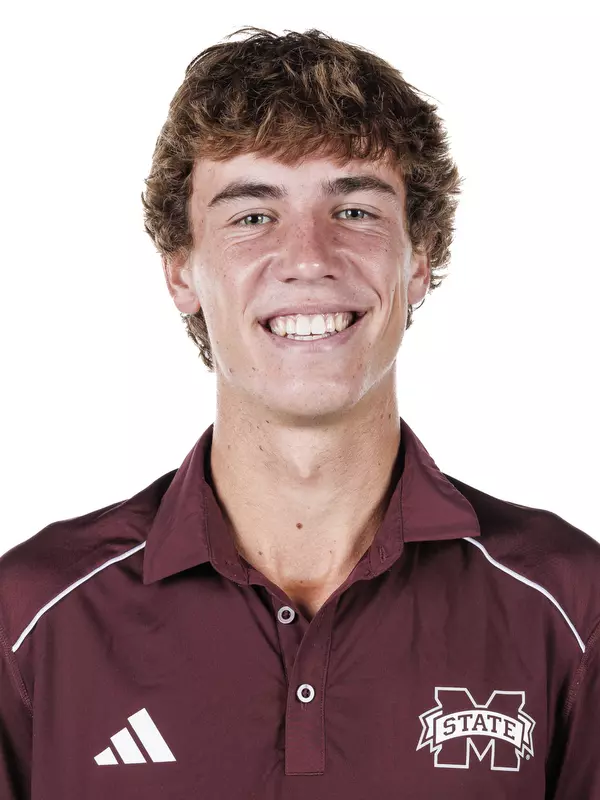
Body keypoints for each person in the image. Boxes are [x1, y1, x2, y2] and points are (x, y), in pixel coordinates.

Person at [0, 26, 598, 800]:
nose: (310, 257)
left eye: (355, 210)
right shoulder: (32, 620)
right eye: (252, 216)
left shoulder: (570, 607)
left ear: (418, 261)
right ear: (181, 271)